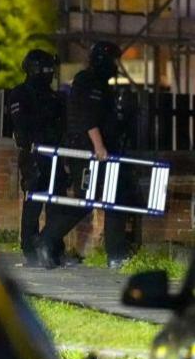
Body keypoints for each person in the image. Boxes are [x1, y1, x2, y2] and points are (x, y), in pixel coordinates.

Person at [36, 41, 133, 269]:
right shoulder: (88, 82)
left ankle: (116, 255)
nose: (115, 66)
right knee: (85, 201)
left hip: (102, 153)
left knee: (113, 200)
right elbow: (87, 118)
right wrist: (99, 147)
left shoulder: (100, 84)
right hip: (89, 153)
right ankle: (46, 241)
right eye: (112, 61)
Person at [7, 49, 65, 266]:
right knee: (34, 200)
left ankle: (51, 247)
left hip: (56, 154)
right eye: (46, 69)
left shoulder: (54, 96)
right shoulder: (20, 94)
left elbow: (62, 125)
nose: (50, 73)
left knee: (57, 201)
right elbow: (22, 126)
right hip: (34, 154)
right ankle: (30, 249)